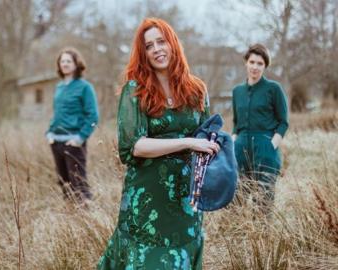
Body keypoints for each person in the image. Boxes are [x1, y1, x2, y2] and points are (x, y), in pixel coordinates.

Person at [97, 18, 220, 269]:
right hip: (147, 200)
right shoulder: (135, 90)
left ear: (173, 44)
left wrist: (215, 148)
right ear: (144, 54)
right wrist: (187, 142)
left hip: (187, 198)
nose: (157, 50)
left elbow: (206, 138)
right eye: (149, 46)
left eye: (161, 42)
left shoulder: (197, 90)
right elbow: (135, 146)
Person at [231, 43, 289, 213]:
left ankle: (262, 239)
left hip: (266, 150)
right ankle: (238, 240)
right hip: (240, 151)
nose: (255, 67)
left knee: (262, 206)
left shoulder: (273, 89)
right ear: (246, 63)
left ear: (265, 66)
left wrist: (272, 145)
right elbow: (236, 121)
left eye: (260, 64)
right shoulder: (237, 91)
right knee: (236, 204)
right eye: (252, 62)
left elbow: (283, 122)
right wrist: (234, 141)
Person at [46, 47, 99, 205]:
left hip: (74, 143)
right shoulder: (59, 87)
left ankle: (87, 218)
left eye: (69, 61)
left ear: (76, 64)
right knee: (64, 183)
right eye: (62, 61)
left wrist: (80, 138)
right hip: (56, 141)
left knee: (79, 184)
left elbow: (93, 115)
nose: (65, 64)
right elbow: (57, 113)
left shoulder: (85, 87)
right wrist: (49, 133)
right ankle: (70, 218)